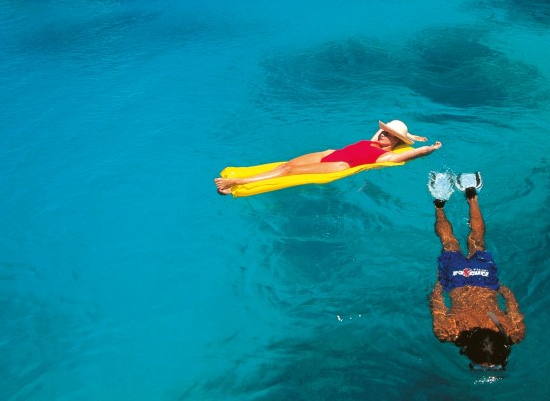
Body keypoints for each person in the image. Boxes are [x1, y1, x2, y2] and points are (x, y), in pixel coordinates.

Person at [428, 173, 525, 370]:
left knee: (478, 239)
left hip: (485, 281)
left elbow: (511, 300)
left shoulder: (515, 332)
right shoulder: (447, 333)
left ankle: (471, 194)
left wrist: (500, 288)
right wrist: (441, 284)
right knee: (448, 243)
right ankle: (440, 203)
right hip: (455, 282)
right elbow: (435, 300)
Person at [215, 120, 442, 195]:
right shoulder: (374, 139)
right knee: (285, 164)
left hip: (339, 165)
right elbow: (390, 132)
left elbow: (409, 154)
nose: (383, 134)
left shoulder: (386, 156)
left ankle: (237, 182)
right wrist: (410, 135)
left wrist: (427, 149)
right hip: (328, 154)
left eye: (390, 135)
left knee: (287, 172)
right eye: (384, 131)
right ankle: (248, 176)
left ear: (395, 143)